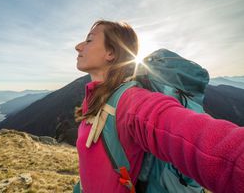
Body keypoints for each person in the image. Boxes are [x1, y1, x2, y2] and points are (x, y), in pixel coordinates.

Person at [74, 20, 244, 193]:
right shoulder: (97, 99)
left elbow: (199, 140)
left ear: (111, 52)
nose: (78, 46)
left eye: (89, 40)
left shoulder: (130, 101)